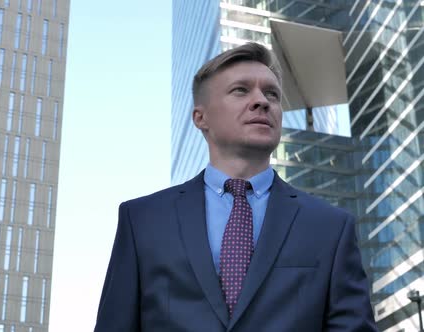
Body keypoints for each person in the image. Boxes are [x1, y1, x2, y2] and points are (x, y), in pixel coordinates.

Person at [94, 42, 377, 331]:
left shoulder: (331, 227)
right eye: (240, 90)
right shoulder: (142, 219)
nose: (262, 101)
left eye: (272, 94)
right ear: (200, 117)